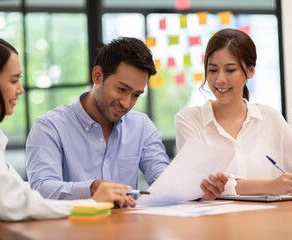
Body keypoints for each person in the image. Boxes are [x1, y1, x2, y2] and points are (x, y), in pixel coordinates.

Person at [0, 35, 132, 240]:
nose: (20, 89)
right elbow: (11, 202)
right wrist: (92, 204)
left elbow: (3, 194)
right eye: (13, 80)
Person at [26, 37, 227, 205]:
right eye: (121, 89)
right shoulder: (49, 127)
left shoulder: (141, 126)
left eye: (136, 95)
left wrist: (198, 192)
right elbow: (43, 188)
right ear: (98, 75)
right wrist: (93, 188)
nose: (126, 103)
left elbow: (163, 181)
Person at [175, 28, 292, 196]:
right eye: (213, 70)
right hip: (217, 222)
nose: (220, 79)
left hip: (270, 221)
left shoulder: (271, 118)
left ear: (250, 71)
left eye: (230, 70)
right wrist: (269, 186)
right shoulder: (189, 120)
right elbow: (202, 184)